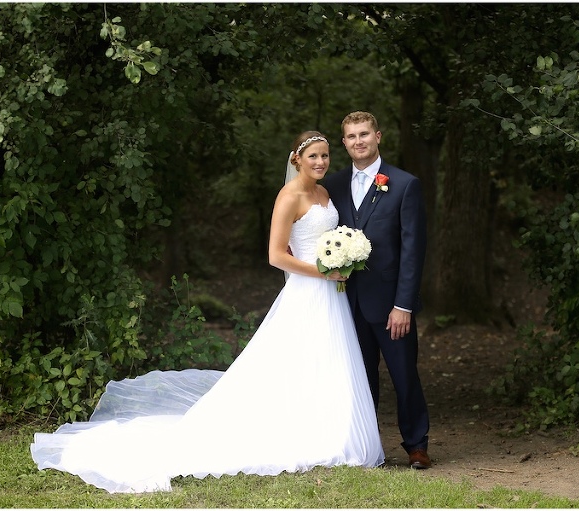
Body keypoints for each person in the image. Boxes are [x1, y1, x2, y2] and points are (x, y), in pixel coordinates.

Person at [29, 131, 384, 493]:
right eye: (314, 157)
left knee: (327, 360)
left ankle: (328, 433)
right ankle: (295, 430)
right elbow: (276, 256)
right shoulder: (288, 196)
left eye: (325, 156)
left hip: (332, 294)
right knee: (296, 360)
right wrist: (324, 271)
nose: (321, 162)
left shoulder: (325, 194)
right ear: (297, 160)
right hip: (308, 289)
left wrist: (343, 259)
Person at [323, 111, 431, 469]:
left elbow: (413, 250)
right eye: (351, 136)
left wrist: (404, 305)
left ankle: (416, 445)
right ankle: (365, 448)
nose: (358, 141)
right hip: (344, 301)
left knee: (404, 375)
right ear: (344, 143)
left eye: (364, 134)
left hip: (389, 304)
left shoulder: (403, 184)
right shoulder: (333, 185)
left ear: (378, 136)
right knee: (358, 377)